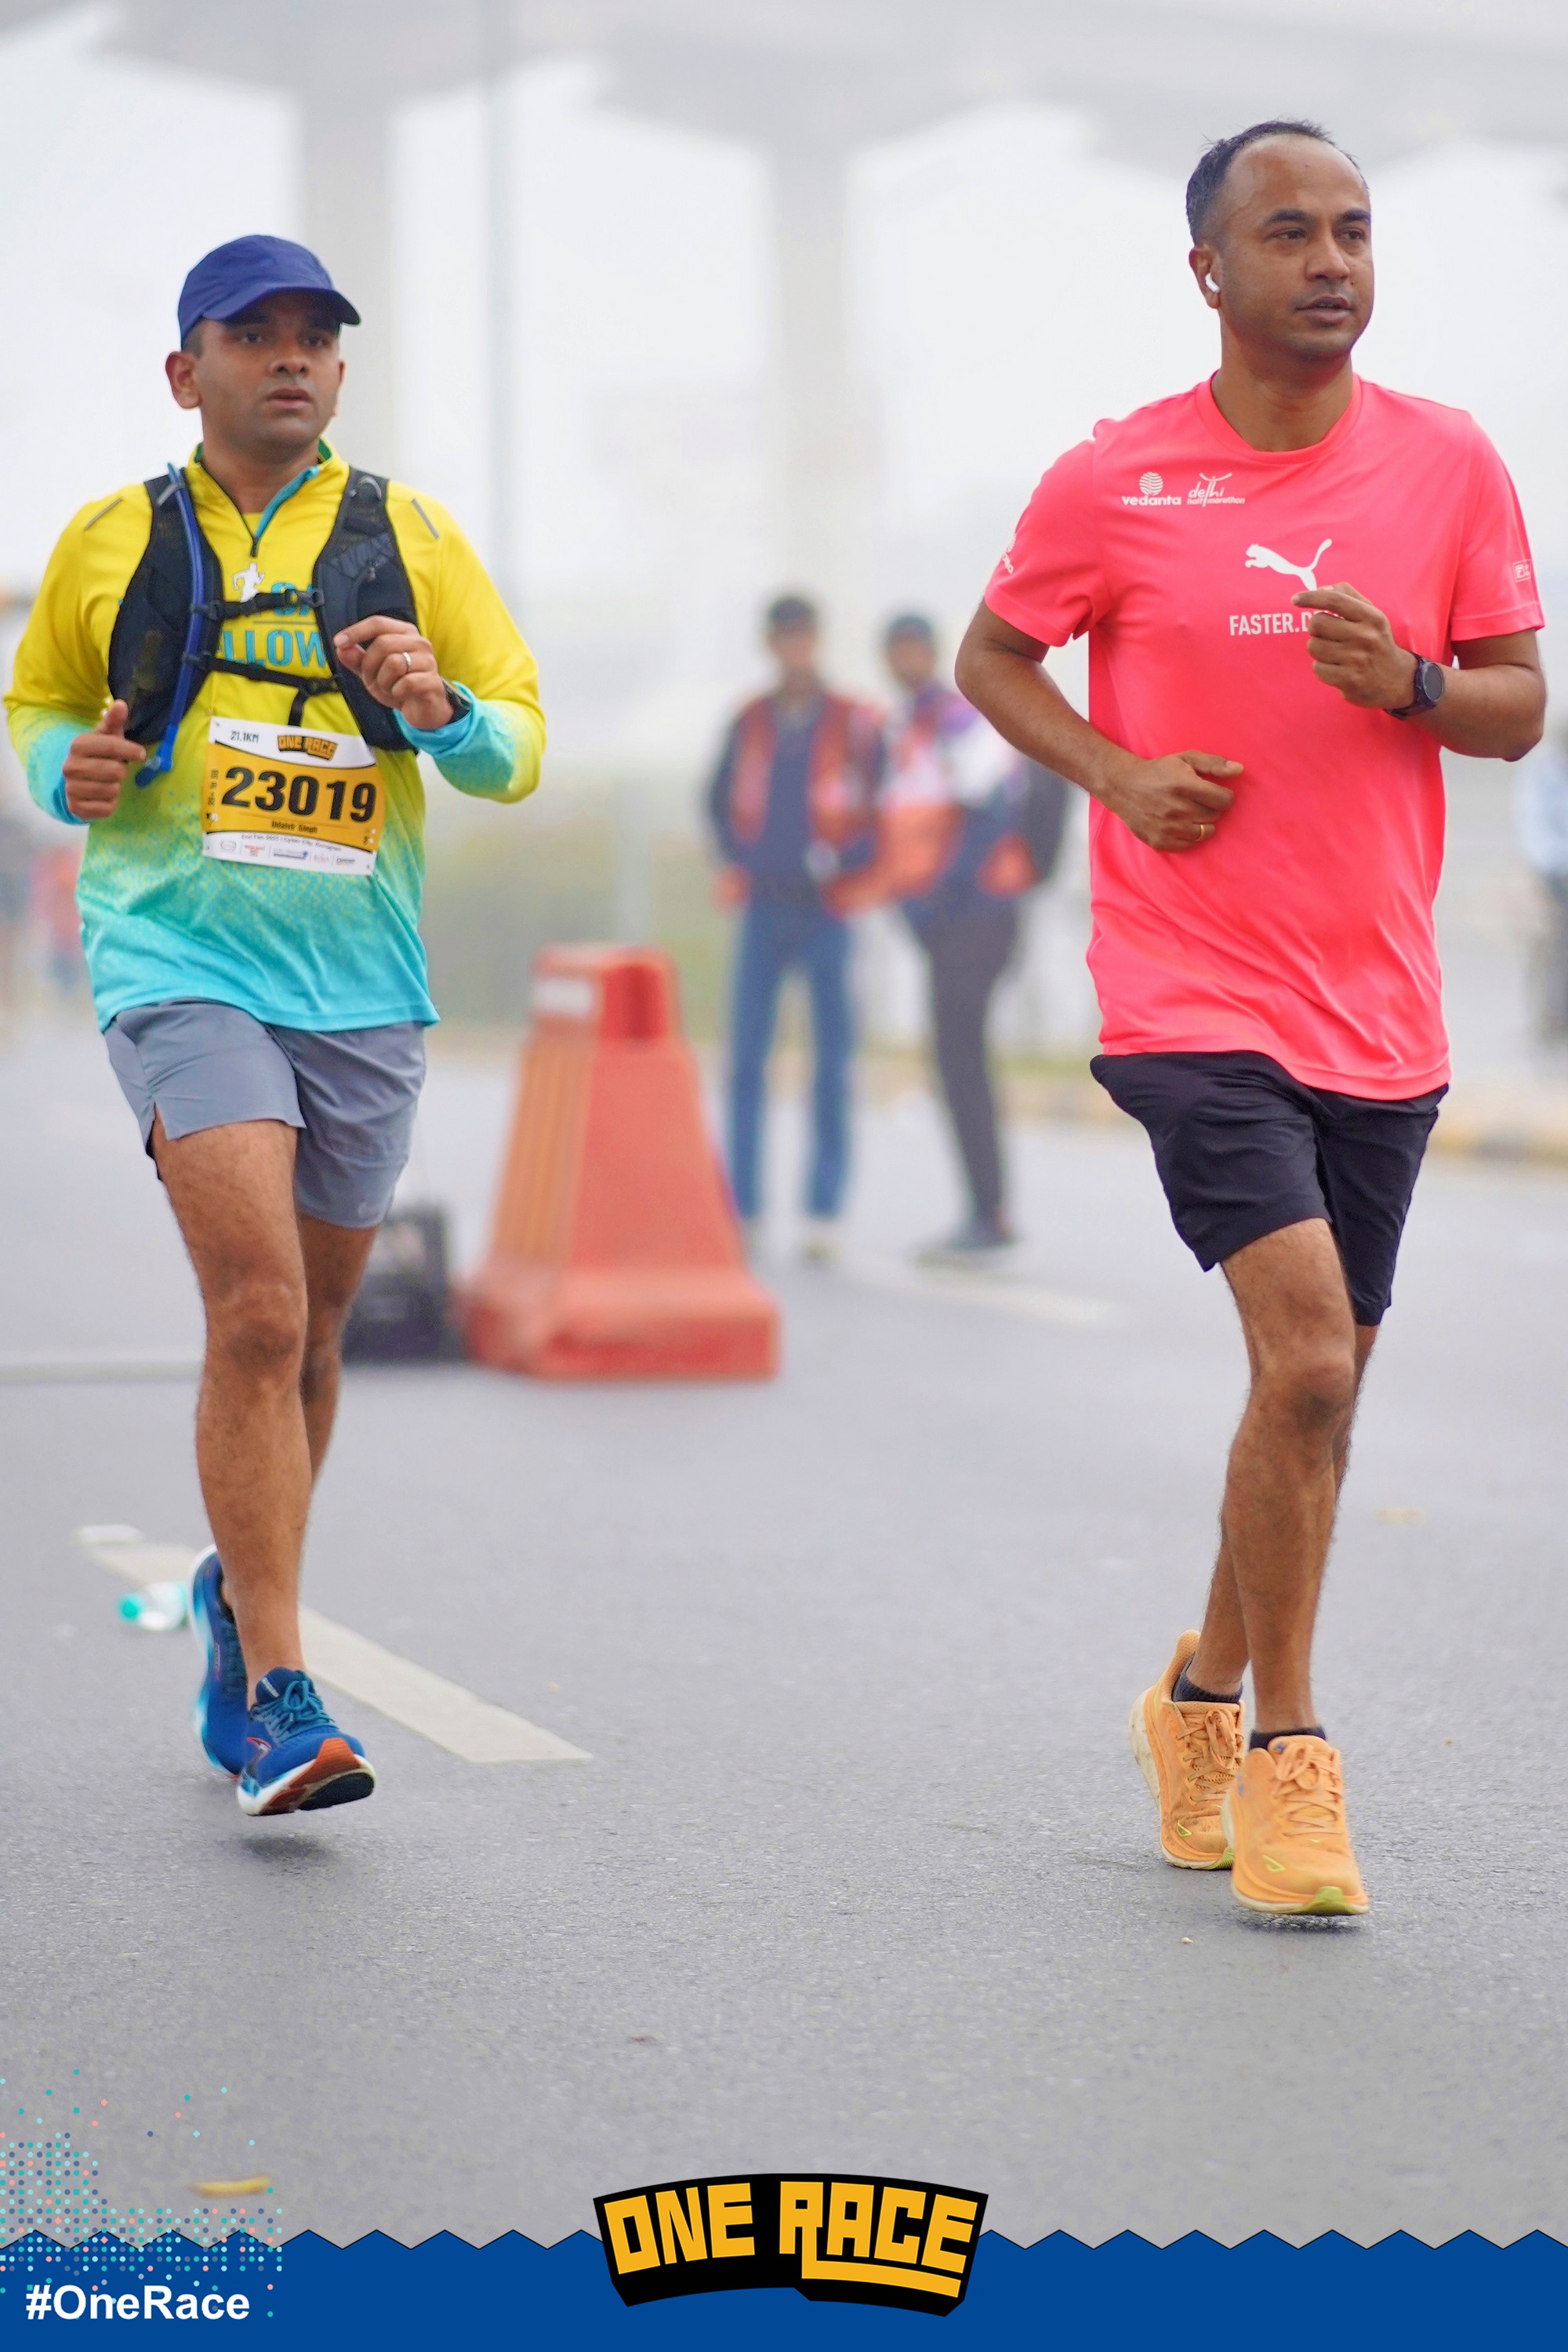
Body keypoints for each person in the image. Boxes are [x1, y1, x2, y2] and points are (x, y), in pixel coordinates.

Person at [956, 122, 1543, 1917]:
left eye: (1351, 230)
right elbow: (994, 656)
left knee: (1316, 1393)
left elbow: (1517, 706)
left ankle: (1197, 1692)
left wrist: (1413, 682)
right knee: (1302, 1363)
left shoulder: (1447, 463)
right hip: (1187, 991)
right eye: (1287, 232)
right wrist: (1115, 774)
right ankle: (1290, 1756)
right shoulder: (1114, 479)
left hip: (1378, 1004)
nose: (1330, 261)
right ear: (1206, 269)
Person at [6, 235, 545, 1817]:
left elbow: (516, 748)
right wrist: (59, 775)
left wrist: (441, 709)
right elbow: (39, 708)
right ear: (189, 372)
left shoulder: (410, 536)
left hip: (360, 979)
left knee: (310, 1335)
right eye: (256, 335)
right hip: (177, 958)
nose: (292, 357)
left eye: (316, 335)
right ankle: (282, 1697)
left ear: (342, 369)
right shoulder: (113, 537)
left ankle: (238, 1606)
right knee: (253, 1312)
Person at [706, 593, 884, 1264]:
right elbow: (716, 801)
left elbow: (882, 806)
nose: (794, 648)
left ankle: (823, 1212)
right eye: (783, 637)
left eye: (803, 636)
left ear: (817, 640)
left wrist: (847, 862)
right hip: (762, 907)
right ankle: (744, 1210)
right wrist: (742, 857)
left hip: (828, 910)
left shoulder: (854, 721)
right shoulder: (750, 720)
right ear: (771, 644)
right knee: (746, 1062)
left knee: (831, 1063)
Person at [876, 612, 1041, 1261]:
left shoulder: (956, 719)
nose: (906, 660)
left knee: (962, 1063)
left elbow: (988, 814)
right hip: (952, 920)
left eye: (914, 649)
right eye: (897, 650)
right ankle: (983, 1210)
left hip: (977, 915)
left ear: (931, 653)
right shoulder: (905, 727)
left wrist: (936, 899)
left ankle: (989, 1216)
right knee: (956, 1061)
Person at [1515, 720, 1568, 1048]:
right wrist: (1551, 869)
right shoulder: (1545, 771)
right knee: (1550, 949)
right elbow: (1532, 821)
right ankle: (1549, 1019)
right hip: (1554, 876)